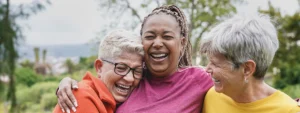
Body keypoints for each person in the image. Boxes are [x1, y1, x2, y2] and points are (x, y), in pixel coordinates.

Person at [55, 5, 213, 113]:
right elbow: (100, 86)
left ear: (182, 42)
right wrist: (68, 84)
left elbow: (233, 82)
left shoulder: (198, 80)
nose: (157, 43)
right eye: (150, 36)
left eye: (167, 36)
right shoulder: (135, 78)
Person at [201, 15, 300, 113]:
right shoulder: (212, 97)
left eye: (215, 64)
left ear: (247, 69)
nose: (207, 69)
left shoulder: (289, 110)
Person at [53, 29, 144, 113]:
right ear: (99, 67)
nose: (130, 78)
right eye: (121, 68)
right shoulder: (81, 97)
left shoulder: (111, 101)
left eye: (137, 71)